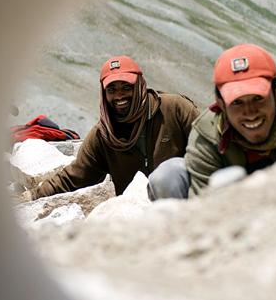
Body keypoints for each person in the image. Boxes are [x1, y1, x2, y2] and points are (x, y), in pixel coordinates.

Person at [147, 43, 276, 200]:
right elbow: (204, 208)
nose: (250, 112)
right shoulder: (206, 135)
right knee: (169, 174)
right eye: (237, 102)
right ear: (221, 104)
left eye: (258, 98)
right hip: (233, 211)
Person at [20, 55, 200, 201]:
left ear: (139, 86)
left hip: (186, 201)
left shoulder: (174, 108)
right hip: (136, 213)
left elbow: (209, 146)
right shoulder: (103, 135)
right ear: (104, 93)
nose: (119, 95)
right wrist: (31, 196)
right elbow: (75, 176)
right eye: (112, 89)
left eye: (126, 87)